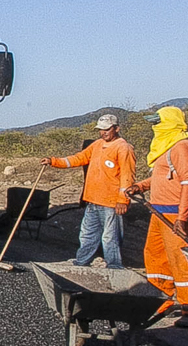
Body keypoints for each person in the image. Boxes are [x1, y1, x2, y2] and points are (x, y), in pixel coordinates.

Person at [133, 106, 188, 325]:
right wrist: (140, 187)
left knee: (181, 260)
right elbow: (162, 178)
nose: (155, 126)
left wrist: (182, 218)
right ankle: (161, 300)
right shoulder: (165, 147)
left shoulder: (182, 147)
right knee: (155, 256)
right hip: (159, 211)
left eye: (158, 122)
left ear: (170, 123)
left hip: (175, 214)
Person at [43, 114, 136, 268]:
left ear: (116, 128)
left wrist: (123, 200)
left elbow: (127, 177)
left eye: (106, 129)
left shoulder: (123, 148)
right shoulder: (97, 145)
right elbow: (78, 158)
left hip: (111, 203)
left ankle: (114, 267)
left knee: (110, 237)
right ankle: (82, 263)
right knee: (87, 235)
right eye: (100, 130)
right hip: (92, 200)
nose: (103, 133)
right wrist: (54, 161)